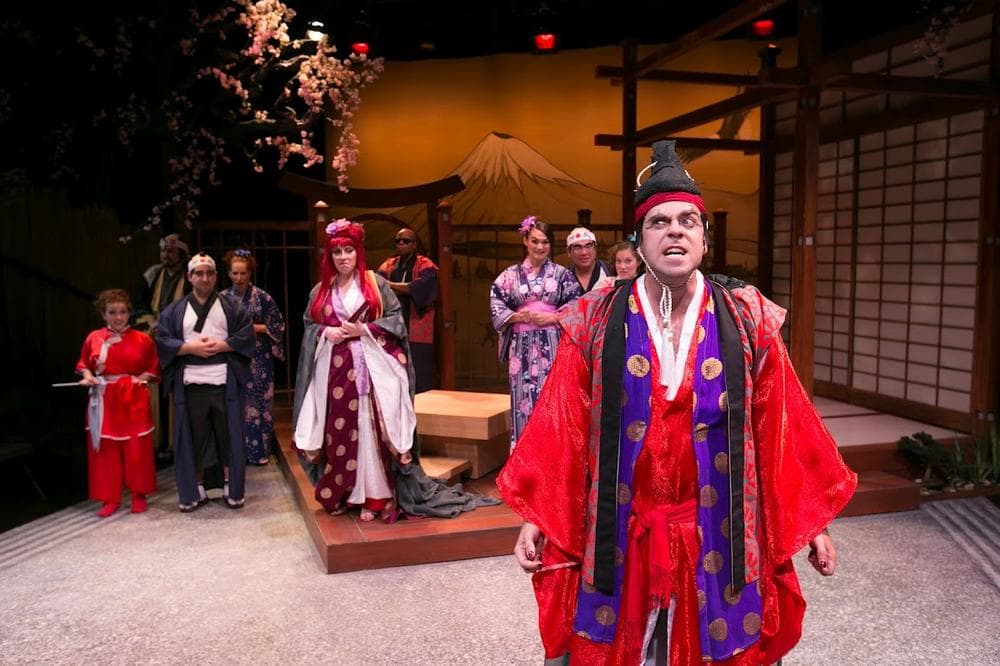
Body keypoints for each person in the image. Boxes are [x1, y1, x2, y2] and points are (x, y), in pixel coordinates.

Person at [497, 140, 857, 665]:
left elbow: (782, 424)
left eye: (689, 221)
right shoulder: (595, 318)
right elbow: (564, 425)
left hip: (721, 528)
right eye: (659, 221)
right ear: (639, 242)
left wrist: (811, 522)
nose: (675, 231)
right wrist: (540, 515)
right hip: (622, 526)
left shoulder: (746, 318)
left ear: (704, 240)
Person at [293, 219, 498, 522]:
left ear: (358, 252)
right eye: (337, 253)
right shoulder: (320, 291)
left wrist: (364, 329)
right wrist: (326, 333)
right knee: (340, 430)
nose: (343, 257)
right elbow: (310, 325)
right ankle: (346, 492)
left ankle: (375, 496)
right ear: (330, 257)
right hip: (334, 373)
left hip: (373, 371)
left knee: (371, 430)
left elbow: (396, 322)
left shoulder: (375, 284)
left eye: (349, 250)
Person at [156, 253, 255, 512]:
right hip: (191, 384)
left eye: (209, 273)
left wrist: (222, 345)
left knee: (228, 436)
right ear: (189, 277)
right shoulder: (175, 310)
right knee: (193, 438)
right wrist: (188, 348)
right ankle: (195, 490)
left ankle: (229, 487)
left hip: (225, 382)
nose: (205, 277)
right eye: (199, 273)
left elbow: (246, 334)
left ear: (215, 276)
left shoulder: (231, 306)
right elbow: (163, 339)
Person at [490, 216, 581, 450]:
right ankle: (522, 459)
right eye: (535, 241)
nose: (540, 247)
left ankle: (551, 458)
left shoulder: (562, 274)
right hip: (521, 346)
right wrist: (518, 317)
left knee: (551, 397)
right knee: (522, 398)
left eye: (545, 242)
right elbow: (497, 302)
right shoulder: (509, 275)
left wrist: (552, 317)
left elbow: (577, 306)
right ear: (525, 241)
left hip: (552, 343)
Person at [76, 289, 159, 517]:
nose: (118, 317)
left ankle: (138, 494)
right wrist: (87, 377)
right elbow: (84, 364)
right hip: (105, 400)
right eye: (112, 312)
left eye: (122, 312)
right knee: (106, 450)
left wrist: (141, 380)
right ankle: (109, 498)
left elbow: (152, 367)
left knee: (136, 449)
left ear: (129, 313)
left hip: (133, 399)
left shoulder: (143, 339)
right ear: (104, 314)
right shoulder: (94, 338)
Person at [222, 249, 285, 466]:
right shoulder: (222, 298)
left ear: (250, 273)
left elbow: (277, 325)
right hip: (233, 357)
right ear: (229, 273)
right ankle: (236, 454)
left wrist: (253, 328)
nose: (239, 278)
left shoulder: (262, 297)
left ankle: (259, 452)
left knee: (259, 404)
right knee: (234, 403)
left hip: (258, 359)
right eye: (235, 273)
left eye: (243, 274)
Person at [132, 233, 191, 462]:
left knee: (177, 392)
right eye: (163, 250)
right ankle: (156, 442)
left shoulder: (190, 277)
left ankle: (177, 444)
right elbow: (138, 305)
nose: (166, 255)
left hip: (179, 341)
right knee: (155, 391)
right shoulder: (152, 275)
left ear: (182, 255)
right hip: (154, 338)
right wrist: (151, 322)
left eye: (171, 251)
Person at [376, 227, 438, 393]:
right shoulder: (389, 264)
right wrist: (403, 288)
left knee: (419, 371)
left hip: (416, 324)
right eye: (398, 240)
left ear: (414, 245)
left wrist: (390, 286)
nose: (401, 243)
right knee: (392, 370)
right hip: (392, 325)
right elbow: (376, 286)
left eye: (406, 240)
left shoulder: (425, 264)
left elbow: (421, 288)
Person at [566, 226, 612, 294]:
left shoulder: (610, 271)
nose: (584, 252)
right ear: (569, 252)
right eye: (578, 248)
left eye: (588, 246)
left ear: (595, 249)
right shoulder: (564, 277)